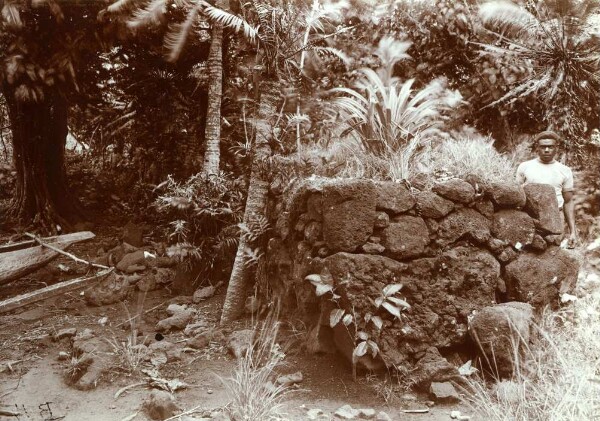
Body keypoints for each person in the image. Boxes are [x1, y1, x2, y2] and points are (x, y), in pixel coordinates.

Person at [515, 130, 578, 247]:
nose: (547, 150)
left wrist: (573, 232)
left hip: (555, 217)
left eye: (550, 147)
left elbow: (568, 202)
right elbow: (517, 196)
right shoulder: (524, 167)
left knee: (552, 252)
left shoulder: (565, 170)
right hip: (530, 216)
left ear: (556, 148)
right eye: (543, 147)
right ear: (537, 147)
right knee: (525, 251)